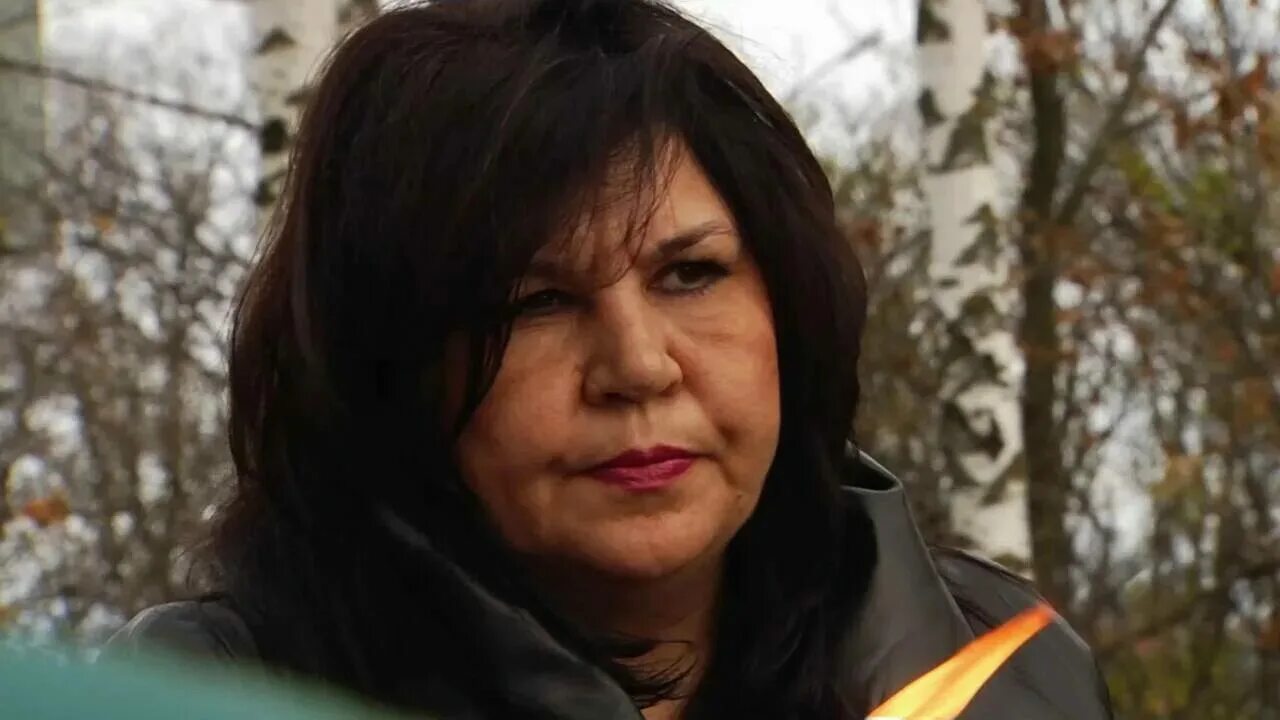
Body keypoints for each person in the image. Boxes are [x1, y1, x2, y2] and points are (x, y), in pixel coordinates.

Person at [105, 1, 1114, 718]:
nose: (636, 366)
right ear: (390, 365)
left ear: (791, 304)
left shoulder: (1009, 675)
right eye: (536, 301)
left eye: (690, 275)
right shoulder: (202, 695)